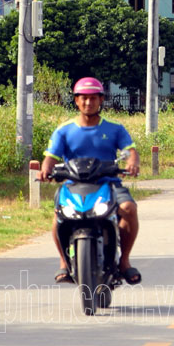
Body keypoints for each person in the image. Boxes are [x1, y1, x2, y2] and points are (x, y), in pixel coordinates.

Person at [39, 77, 142, 285]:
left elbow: (130, 151)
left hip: (109, 184)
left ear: (101, 100)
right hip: (73, 185)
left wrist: (132, 162)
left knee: (129, 208)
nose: (88, 103)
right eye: (83, 98)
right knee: (59, 215)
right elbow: (51, 156)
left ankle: (124, 261)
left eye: (93, 98)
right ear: (76, 100)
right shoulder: (64, 130)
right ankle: (63, 262)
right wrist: (46, 167)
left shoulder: (115, 129)